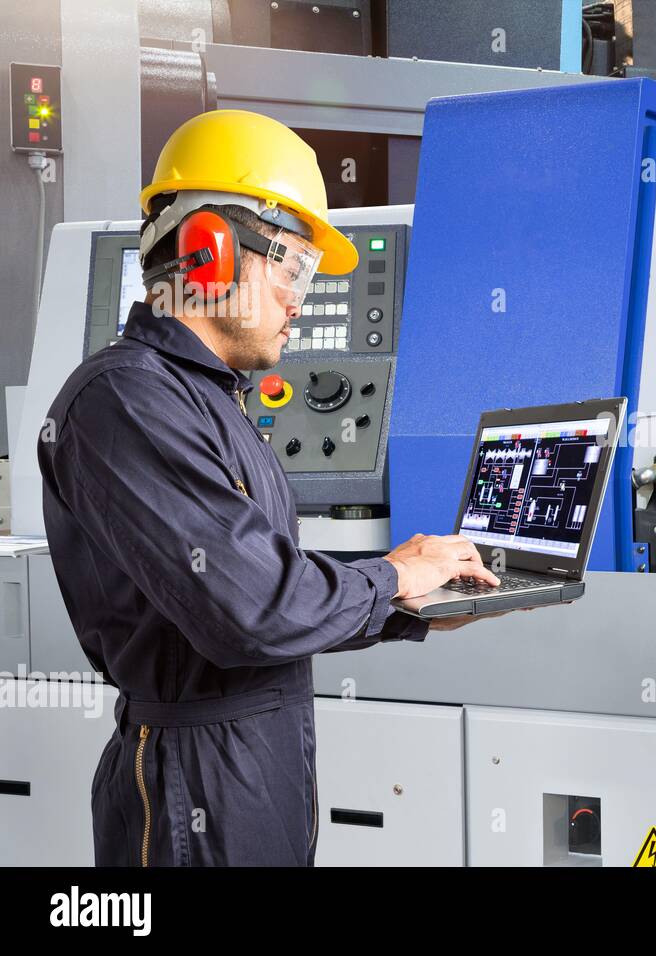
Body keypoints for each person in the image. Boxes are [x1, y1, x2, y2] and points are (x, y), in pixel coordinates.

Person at [38, 109, 499, 866]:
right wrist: (389, 579)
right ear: (211, 253)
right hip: (195, 781)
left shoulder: (208, 399)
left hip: (252, 759)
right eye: (293, 269)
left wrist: (401, 603)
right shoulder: (126, 401)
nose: (300, 300)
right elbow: (252, 610)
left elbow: (258, 583)